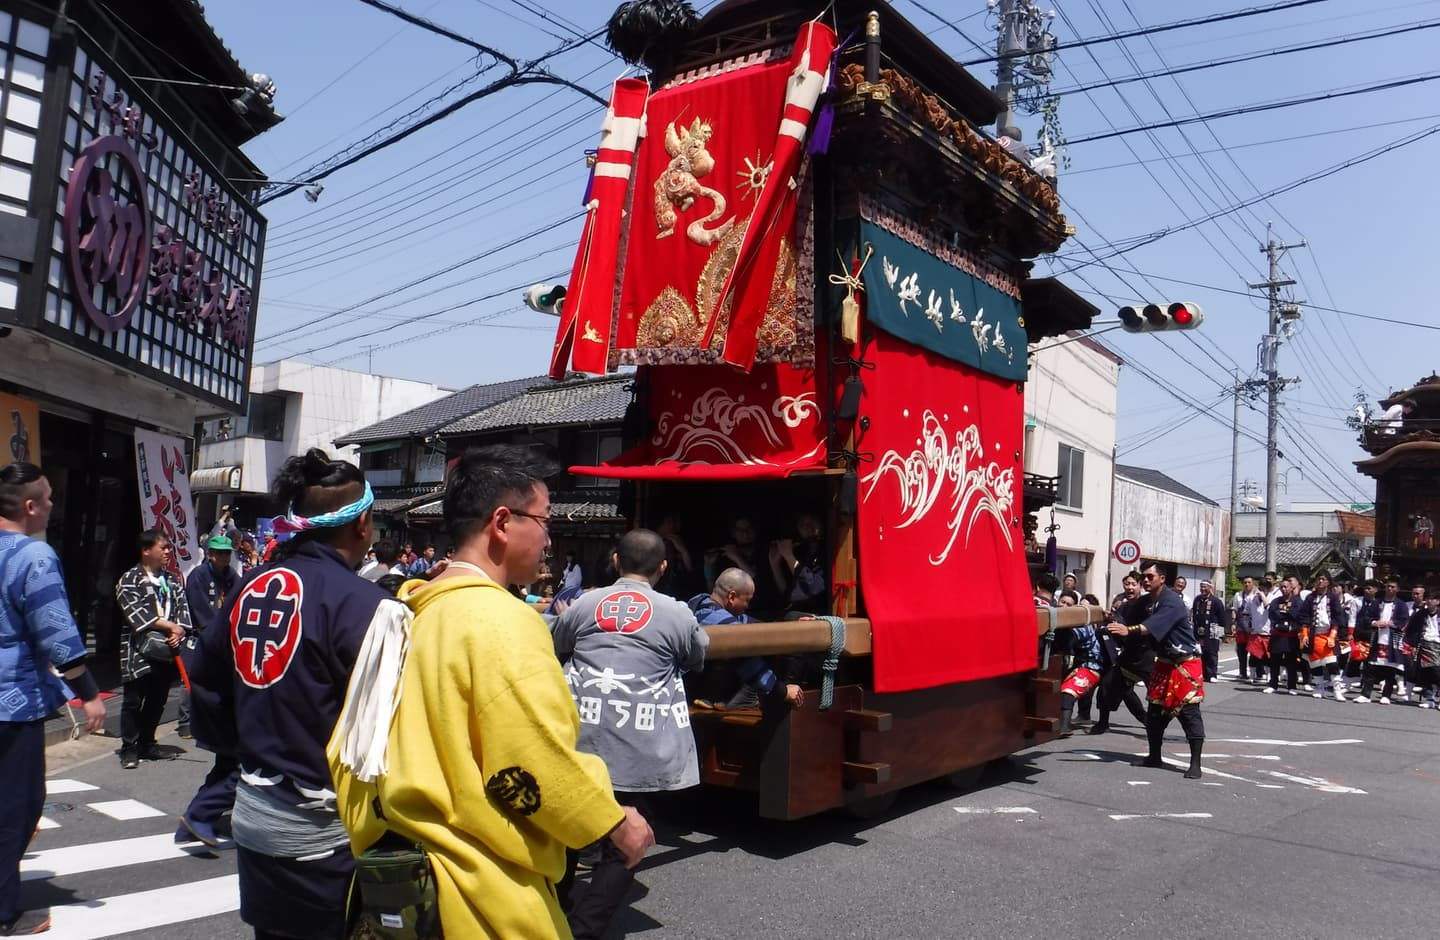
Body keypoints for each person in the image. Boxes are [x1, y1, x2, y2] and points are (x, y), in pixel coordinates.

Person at [329, 445, 653, 938]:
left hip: (395, 875)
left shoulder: (409, 612)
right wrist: (612, 822)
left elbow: (350, 751)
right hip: (476, 886)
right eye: (544, 521)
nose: (549, 539)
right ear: (502, 522)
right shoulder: (502, 620)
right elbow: (531, 758)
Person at [189, 449, 388, 940]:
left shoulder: (250, 585)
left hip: (255, 811)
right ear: (362, 524)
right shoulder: (371, 606)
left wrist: (243, 748)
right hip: (325, 825)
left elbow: (206, 678)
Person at [552, 529, 708, 938]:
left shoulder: (585, 604)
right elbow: (695, 655)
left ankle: (554, 908)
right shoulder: (677, 613)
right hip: (638, 742)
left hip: (582, 734)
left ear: (616, 561)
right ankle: (583, 930)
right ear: (663, 567)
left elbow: (560, 640)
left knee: (567, 827)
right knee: (627, 842)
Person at [1, 463, 107, 937]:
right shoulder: (34, 556)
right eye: (47, 498)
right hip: (12, 703)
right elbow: (56, 631)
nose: (51, 505)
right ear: (30, 506)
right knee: (16, 807)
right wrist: (89, 695)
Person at [1106, 561, 1205, 779]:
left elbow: (1147, 627)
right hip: (1163, 663)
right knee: (1154, 714)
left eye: (1150, 577)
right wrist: (1111, 618)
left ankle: (1195, 763)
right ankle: (1154, 756)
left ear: (1162, 578)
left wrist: (1128, 629)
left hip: (1184, 664)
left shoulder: (1172, 602)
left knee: (1189, 715)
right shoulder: (1147, 601)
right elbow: (1127, 615)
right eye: (1144, 577)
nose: (1145, 580)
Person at [178, 534, 241, 846]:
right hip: (208, 648)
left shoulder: (234, 578)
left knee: (229, 762)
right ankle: (199, 815)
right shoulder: (199, 576)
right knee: (240, 763)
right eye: (218, 553)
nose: (224, 557)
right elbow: (205, 616)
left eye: (227, 553)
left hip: (229, 653)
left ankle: (197, 816)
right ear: (209, 553)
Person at [115, 529, 191, 769]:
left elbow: (183, 610)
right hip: (138, 649)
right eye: (163, 547)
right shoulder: (130, 579)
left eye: (169, 548)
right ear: (146, 550)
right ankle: (129, 748)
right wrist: (171, 627)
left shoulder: (172, 580)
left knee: (157, 700)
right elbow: (136, 614)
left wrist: (179, 631)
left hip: (167, 649)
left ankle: (147, 743)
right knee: (133, 700)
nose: (168, 552)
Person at [688, 567, 803, 711]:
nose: (747, 606)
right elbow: (750, 664)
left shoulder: (700, 607)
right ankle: (747, 697)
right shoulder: (726, 626)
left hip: (694, 686)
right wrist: (783, 691)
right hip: (699, 686)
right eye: (747, 600)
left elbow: (753, 624)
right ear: (731, 597)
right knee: (750, 649)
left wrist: (793, 625)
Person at [1089, 572, 1149, 736]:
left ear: (1140, 586)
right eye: (1127, 584)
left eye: (1133, 584)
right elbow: (1118, 629)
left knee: (1156, 695)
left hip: (1146, 656)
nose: (1130, 588)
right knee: (1108, 684)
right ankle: (1103, 722)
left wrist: (1126, 630)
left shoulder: (1147, 606)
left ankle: (1152, 722)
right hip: (1126, 655)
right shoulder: (1123, 606)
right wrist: (1110, 621)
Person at [1356, 577, 1410, 704]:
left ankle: (1386, 695)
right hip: (1377, 638)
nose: (1389, 589)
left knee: (1390, 670)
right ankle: (1365, 694)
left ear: (1397, 589)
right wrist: (1375, 622)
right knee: (1370, 667)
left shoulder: (1401, 605)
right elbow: (1367, 618)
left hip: (1392, 640)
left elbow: (1404, 620)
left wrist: (1391, 623)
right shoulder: (1377, 602)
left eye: (1392, 587)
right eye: (1388, 586)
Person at [1298, 572, 1348, 701]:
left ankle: (1337, 689)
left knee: (1332, 663)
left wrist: (1333, 634)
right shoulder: (1310, 597)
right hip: (1313, 635)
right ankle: (1319, 687)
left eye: (1323, 579)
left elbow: (1338, 617)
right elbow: (1304, 616)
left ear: (1328, 582)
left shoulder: (1333, 598)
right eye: (1318, 579)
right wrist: (1304, 633)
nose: (1320, 581)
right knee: (1315, 663)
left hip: (1328, 634)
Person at [1263, 576, 1304, 695]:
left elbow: (1296, 615)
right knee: (1274, 661)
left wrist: (1285, 613)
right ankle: (1273, 685)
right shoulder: (1276, 601)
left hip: (1291, 635)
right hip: (1278, 634)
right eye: (1281, 587)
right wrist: (1284, 614)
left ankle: (1291, 686)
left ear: (1291, 588)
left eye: (1286, 587)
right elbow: (1273, 614)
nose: (1283, 589)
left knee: (1291, 661)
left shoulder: (1297, 601)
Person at [1405, 591, 1440, 708]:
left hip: (1438, 645)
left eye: (1432, 599)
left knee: (1437, 672)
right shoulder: (1420, 614)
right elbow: (1412, 630)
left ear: (1438, 601)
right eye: (1428, 599)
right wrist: (1413, 645)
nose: (1429, 601)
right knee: (1426, 672)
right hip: (1424, 644)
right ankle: (1429, 698)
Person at [1191, 580, 1229, 683]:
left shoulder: (1216, 601)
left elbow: (1222, 618)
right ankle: (1203, 673)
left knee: (1212, 652)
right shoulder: (1197, 600)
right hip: (1199, 630)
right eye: (1201, 587)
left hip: (1212, 629)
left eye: (1205, 587)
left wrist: (1220, 634)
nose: (1203, 589)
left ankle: (1212, 674)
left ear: (1210, 588)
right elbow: (1194, 614)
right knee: (1200, 652)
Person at [1232, 576, 1257, 682]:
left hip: (1253, 623)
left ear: (1253, 583)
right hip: (1241, 624)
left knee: (1254, 649)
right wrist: (1233, 623)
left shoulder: (1257, 595)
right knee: (1241, 650)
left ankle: (1257, 672)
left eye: (1249, 582)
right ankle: (1242, 672)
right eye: (1245, 582)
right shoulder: (1238, 595)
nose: (1247, 584)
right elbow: (1234, 610)